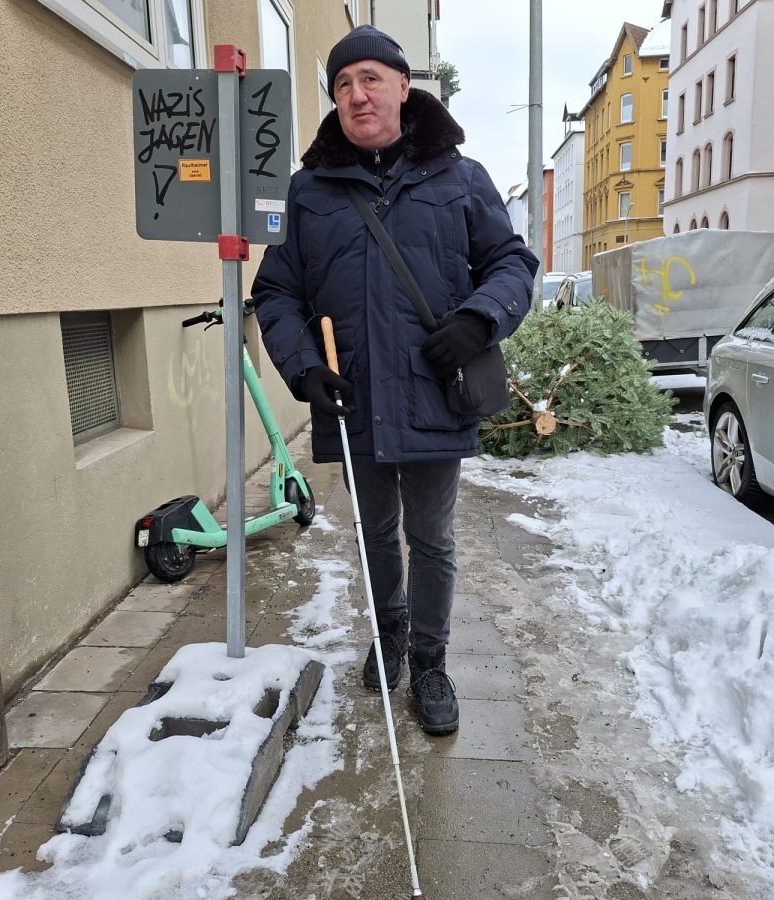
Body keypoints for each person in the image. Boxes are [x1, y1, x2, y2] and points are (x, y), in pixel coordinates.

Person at [252, 24, 536, 735]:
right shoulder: (309, 191)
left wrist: (479, 319)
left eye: (371, 79)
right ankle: (391, 637)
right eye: (343, 85)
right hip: (356, 401)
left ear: (404, 89)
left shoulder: (460, 178)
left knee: (431, 537)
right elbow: (277, 291)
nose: (357, 94)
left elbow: (512, 264)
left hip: (434, 396)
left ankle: (432, 661)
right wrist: (303, 368)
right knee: (376, 532)